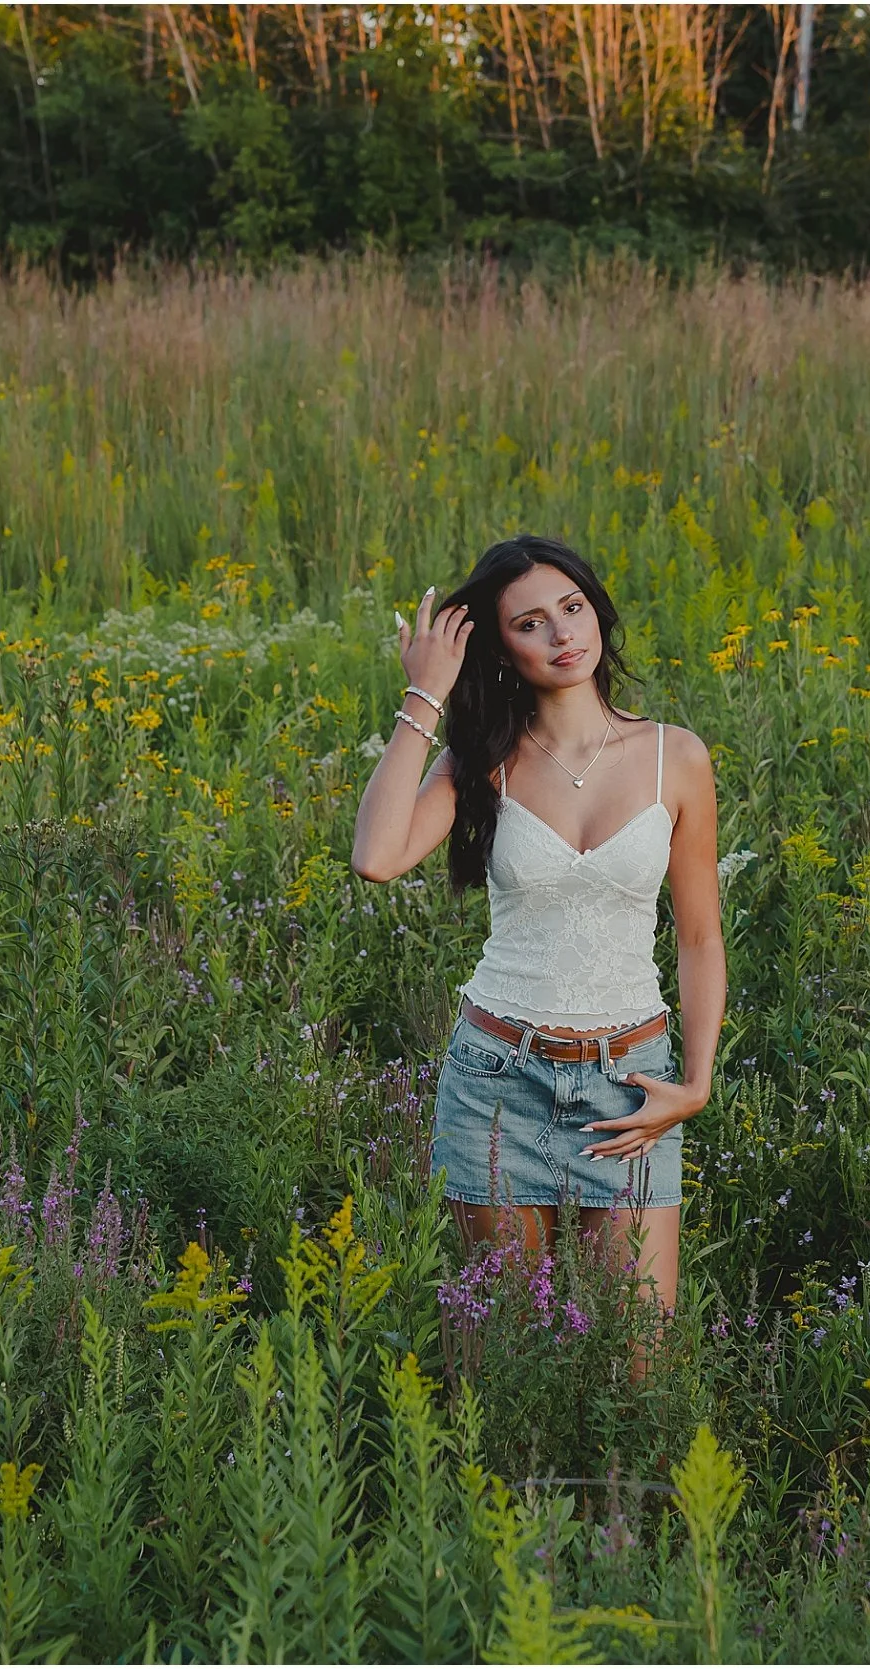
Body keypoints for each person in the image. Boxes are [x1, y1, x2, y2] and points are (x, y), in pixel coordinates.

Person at [349, 533, 725, 1363]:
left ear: (596, 609)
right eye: (529, 623)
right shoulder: (480, 762)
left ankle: (618, 1501)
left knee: (639, 1358)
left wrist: (694, 1083)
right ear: (500, 648)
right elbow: (376, 858)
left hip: (630, 1088)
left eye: (573, 607)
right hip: (496, 1082)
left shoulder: (676, 757)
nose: (562, 635)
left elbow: (699, 936)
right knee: (505, 1356)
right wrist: (424, 696)